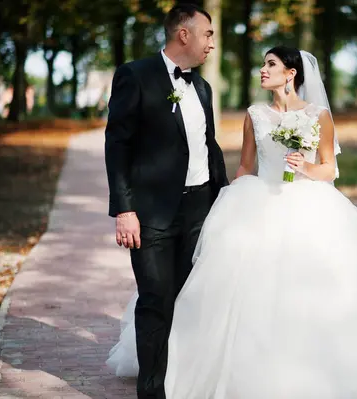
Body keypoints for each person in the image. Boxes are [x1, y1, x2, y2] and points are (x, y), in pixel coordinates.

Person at [108, 46, 357, 398]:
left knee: (317, 289)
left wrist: (304, 167)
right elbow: (245, 165)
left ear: (290, 73)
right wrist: (228, 197)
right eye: (263, 64)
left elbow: (329, 169)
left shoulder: (317, 115)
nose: (262, 70)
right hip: (258, 202)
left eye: (270, 65)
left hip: (308, 205)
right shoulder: (255, 114)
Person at [104, 4, 228, 398]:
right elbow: (117, 144)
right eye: (207, 34)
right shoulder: (134, 75)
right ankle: (153, 391)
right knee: (156, 300)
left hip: (199, 209)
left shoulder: (203, 88)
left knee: (192, 299)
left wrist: (225, 201)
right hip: (151, 212)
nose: (212, 42)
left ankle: (186, 384)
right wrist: (124, 209)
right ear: (184, 34)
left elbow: (209, 148)